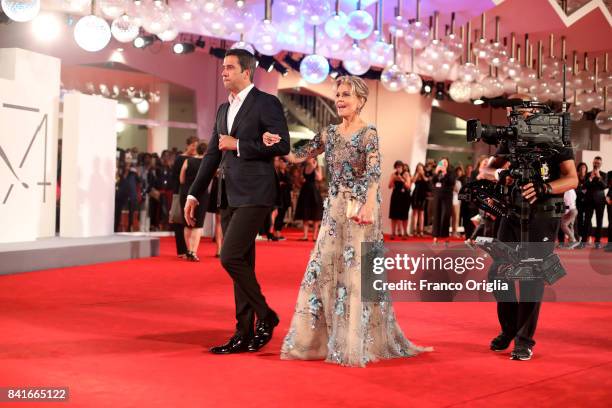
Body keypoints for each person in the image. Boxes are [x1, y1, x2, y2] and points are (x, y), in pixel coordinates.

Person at [263, 75, 430, 367]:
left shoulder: (368, 133)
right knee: (323, 269)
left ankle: (353, 341)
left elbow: (375, 173)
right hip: (334, 209)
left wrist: (367, 204)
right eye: (338, 94)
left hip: (360, 210)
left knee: (356, 273)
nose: (340, 100)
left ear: (361, 100)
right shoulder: (329, 133)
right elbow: (297, 156)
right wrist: (276, 143)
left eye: (346, 95)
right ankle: (317, 342)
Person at [184, 48, 290, 354]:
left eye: (230, 67)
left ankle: (267, 317)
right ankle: (243, 333)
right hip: (228, 194)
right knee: (242, 263)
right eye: (223, 67)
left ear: (247, 72)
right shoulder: (222, 109)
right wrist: (195, 193)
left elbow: (281, 143)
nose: (224, 72)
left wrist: (239, 144)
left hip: (257, 193)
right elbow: (212, 156)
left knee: (229, 257)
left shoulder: (265, 103)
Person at [479, 96, 577, 361]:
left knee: (532, 276)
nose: (512, 114)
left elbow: (572, 178)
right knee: (498, 272)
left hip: (543, 216)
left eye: (518, 110)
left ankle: (524, 339)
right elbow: (486, 171)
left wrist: (545, 188)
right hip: (511, 213)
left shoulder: (556, 137)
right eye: (510, 111)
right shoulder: (510, 137)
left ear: (534, 112)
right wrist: (500, 175)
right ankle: (509, 329)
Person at [179, 141, 209, 261]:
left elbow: (181, 179)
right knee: (198, 224)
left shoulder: (187, 161)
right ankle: (193, 251)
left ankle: (188, 251)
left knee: (188, 222)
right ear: (206, 151)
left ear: (196, 150)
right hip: (201, 194)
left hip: (186, 193)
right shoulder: (207, 163)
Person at [171, 136, 198, 258]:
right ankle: (181, 250)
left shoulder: (197, 159)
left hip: (192, 194)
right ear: (187, 145)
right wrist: (176, 193)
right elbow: (176, 178)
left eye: (196, 145)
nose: (194, 148)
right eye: (192, 145)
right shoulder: (180, 159)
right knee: (178, 221)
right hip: (180, 192)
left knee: (189, 221)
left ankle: (189, 249)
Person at [294, 157, 324, 241]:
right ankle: (305, 235)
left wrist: (314, 168)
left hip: (314, 191)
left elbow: (319, 178)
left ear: (313, 159)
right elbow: (300, 179)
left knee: (316, 214)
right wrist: (300, 178)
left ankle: (314, 236)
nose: (307, 159)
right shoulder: (304, 167)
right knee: (305, 213)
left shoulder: (318, 167)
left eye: (310, 158)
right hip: (305, 191)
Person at [584, 156, 607, 249]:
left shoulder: (604, 175)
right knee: (587, 221)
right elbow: (584, 186)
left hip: (600, 201)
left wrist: (599, 177)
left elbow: (605, 186)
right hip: (589, 200)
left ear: (601, 164)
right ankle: (584, 241)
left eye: (598, 163)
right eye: (595, 163)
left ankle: (597, 243)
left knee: (599, 221)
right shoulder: (588, 174)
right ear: (592, 163)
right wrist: (591, 178)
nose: (596, 164)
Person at [431, 158, 455, 244]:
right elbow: (432, 182)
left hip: (447, 196)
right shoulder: (437, 172)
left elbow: (452, 182)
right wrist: (436, 172)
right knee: (436, 215)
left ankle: (445, 236)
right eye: (442, 162)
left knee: (445, 215)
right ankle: (435, 236)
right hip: (437, 195)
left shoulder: (451, 172)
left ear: (448, 164)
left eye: (445, 162)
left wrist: (445, 173)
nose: (444, 163)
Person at [388, 160, 411, 239]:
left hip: (404, 196)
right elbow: (389, 186)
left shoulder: (406, 174)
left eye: (400, 167)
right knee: (394, 215)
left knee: (404, 215)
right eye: (397, 167)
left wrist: (402, 179)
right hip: (395, 195)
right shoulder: (393, 175)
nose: (398, 168)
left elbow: (408, 186)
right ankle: (393, 233)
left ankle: (404, 233)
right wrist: (393, 179)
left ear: (402, 167)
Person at [273, 156, 292, 240]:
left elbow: (290, 185)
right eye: (282, 162)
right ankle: (275, 232)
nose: (284, 164)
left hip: (286, 196)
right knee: (278, 214)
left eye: (285, 163)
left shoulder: (287, 173)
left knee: (282, 214)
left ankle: (278, 231)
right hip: (278, 196)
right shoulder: (276, 172)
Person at [410, 163, 429, 237]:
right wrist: (417, 174)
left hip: (423, 195)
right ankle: (414, 230)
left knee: (421, 213)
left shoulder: (426, 174)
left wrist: (422, 174)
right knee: (415, 212)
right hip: (416, 195)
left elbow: (427, 181)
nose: (420, 170)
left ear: (423, 169)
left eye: (421, 168)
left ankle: (421, 231)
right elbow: (413, 181)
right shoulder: (415, 175)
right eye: (418, 168)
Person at [575, 162, 589, 247]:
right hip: (578, 202)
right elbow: (575, 190)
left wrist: (583, 191)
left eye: (584, 168)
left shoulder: (588, 178)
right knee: (579, 221)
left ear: (586, 169)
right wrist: (581, 191)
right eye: (581, 168)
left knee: (587, 221)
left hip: (587, 203)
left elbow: (590, 189)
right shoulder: (576, 178)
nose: (582, 169)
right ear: (578, 169)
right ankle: (579, 238)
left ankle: (585, 239)